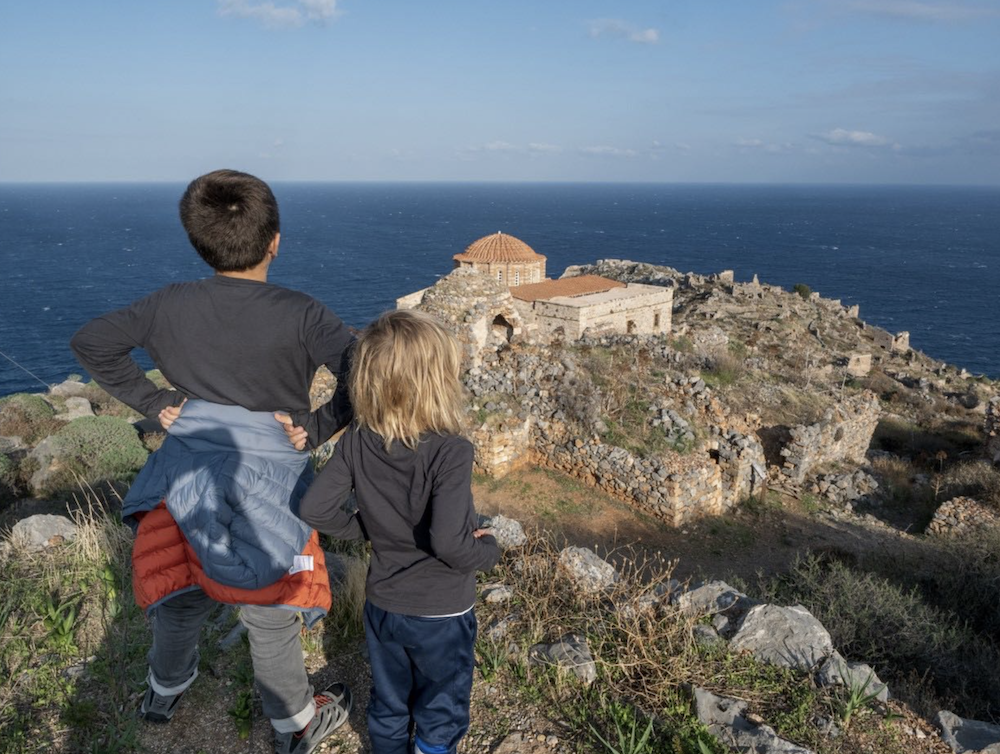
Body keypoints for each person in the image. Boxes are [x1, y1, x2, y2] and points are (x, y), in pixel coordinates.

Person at [71, 169, 354, 754]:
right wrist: (317, 427)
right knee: (272, 608)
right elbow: (367, 369)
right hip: (273, 476)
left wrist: (155, 403)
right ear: (275, 239)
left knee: (180, 592)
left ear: (199, 242)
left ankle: (163, 691)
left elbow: (92, 342)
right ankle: (294, 724)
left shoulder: (169, 303)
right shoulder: (302, 313)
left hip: (184, 470)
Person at [298, 309, 500, 754]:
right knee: (440, 706)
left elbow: (315, 507)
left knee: (390, 701)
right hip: (441, 612)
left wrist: (365, 529)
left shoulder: (356, 439)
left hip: (383, 605)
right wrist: (489, 553)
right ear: (437, 382)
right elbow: (449, 542)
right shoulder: (451, 451)